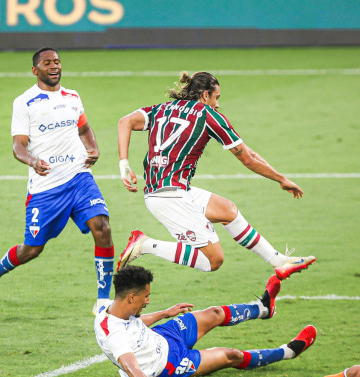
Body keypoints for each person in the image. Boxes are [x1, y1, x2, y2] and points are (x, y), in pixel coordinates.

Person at [115, 71, 314, 280]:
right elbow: (247, 158)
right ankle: (145, 244)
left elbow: (124, 122)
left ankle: (279, 262)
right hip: (170, 197)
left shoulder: (160, 109)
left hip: (169, 191)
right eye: (216, 97)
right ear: (205, 95)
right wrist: (281, 179)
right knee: (213, 260)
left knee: (228, 211)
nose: (217, 104)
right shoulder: (208, 116)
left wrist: (124, 164)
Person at [0, 47, 114, 312]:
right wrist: (32, 161)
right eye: (47, 62)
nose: (54, 66)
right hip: (47, 187)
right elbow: (18, 147)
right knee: (32, 249)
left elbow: (84, 128)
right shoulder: (24, 102)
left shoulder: (73, 96)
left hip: (79, 177)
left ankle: (103, 300)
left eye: (57, 61)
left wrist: (93, 148)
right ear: (35, 70)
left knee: (103, 228)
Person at [94, 265, 317, 377]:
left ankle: (264, 308)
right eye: (146, 297)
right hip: (168, 364)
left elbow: (135, 324)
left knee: (215, 313)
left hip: (165, 334)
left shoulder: (117, 308)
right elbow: (129, 364)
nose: (148, 301)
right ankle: (288, 352)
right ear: (132, 297)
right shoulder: (113, 335)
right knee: (232, 355)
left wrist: (164, 313)